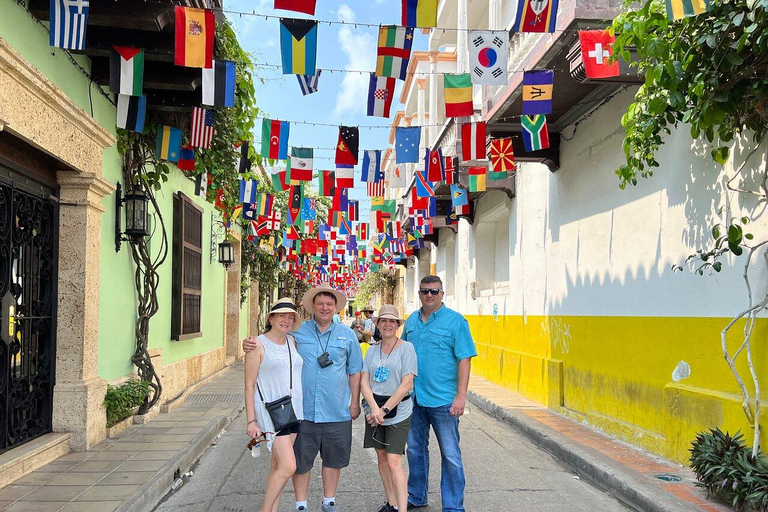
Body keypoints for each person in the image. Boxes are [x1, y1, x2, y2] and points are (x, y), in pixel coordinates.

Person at [244, 283, 363, 512]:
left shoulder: (347, 336)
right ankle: (300, 505)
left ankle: (329, 502)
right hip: (301, 411)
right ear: (313, 307)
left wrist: (355, 402)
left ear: (336, 307)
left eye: (329, 304)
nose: (325, 308)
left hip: (336, 409)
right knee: (298, 463)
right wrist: (248, 343)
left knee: (333, 459)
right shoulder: (298, 332)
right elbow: (267, 344)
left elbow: (355, 371)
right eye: (320, 303)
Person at [402, 276, 476, 512]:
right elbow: (402, 354)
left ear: (442, 293)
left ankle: (454, 506)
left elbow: (464, 359)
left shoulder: (456, 322)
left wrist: (460, 397)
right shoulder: (412, 321)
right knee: (414, 450)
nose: (429, 295)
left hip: (444, 400)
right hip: (415, 399)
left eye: (434, 291)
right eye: (425, 291)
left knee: (451, 454)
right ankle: (416, 496)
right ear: (420, 294)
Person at [244, 298, 304, 512]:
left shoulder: (292, 342)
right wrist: (251, 420)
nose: (286, 320)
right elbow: (249, 385)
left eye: (290, 317)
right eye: (282, 316)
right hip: (270, 413)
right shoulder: (257, 344)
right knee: (289, 466)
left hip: (294, 410)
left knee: (277, 467)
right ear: (271, 318)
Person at [360, 305, 417, 512]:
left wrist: (383, 411)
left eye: (392, 321)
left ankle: (402, 508)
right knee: (382, 457)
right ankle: (391, 503)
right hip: (373, 410)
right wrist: (374, 409)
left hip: (397, 411)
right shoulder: (372, 350)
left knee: (394, 461)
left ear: (397, 325)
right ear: (377, 324)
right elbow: (364, 382)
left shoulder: (406, 348)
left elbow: (407, 384)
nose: (387, 324)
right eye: (383, 321)